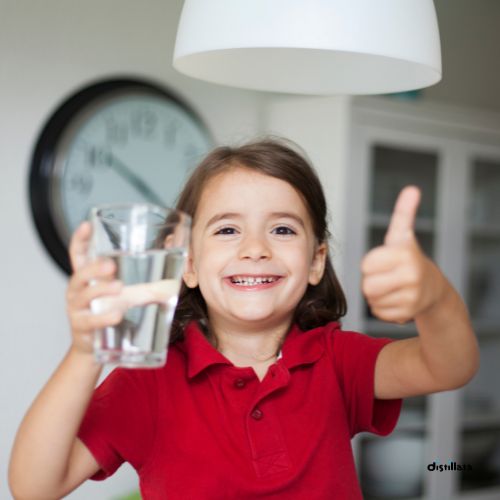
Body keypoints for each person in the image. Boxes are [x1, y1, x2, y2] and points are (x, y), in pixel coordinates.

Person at [9, 138, 479, 499]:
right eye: (228, 229)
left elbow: (450, 366)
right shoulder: (147, 382)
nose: (255, 249)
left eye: (281, 229)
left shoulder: (338, 360)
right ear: (187, 264)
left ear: (316, 262)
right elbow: (34, 487)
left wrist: (434, 297)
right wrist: (85, 352)